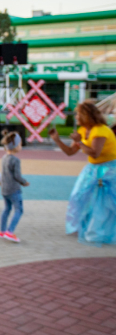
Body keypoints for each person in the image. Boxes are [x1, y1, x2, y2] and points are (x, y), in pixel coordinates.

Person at [50, 101, 116, 245]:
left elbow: (95, 153)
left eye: (78, 114)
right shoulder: (82, 130)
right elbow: (70, 152)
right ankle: (79, 227)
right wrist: (57, 140)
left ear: (86, 115)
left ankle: (97, 232)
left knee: (102, 201)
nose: (76, 117)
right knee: (78, 196)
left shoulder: (101, 131)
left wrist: (80, 142)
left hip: (107, 170)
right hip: (92, 169)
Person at [0, 130, 29, 243]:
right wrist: (24, 182)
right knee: (19, 210)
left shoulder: (4, 158)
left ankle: (2, 231)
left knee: (7, 209)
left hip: (5, 189)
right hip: (14, 190)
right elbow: (17, 176)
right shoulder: (15, 160)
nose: (21, 146)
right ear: (15, 146)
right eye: (20, 144)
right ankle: (10, 231)